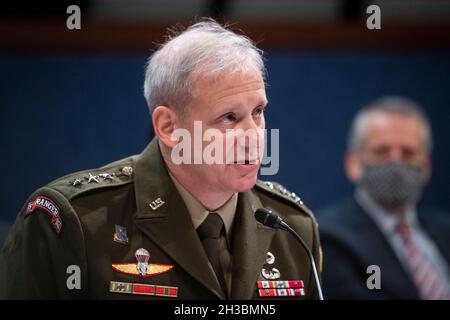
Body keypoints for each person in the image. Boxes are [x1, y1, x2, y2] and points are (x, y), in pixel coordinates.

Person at [0, 19, 322, 299]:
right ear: (168, 127)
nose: (254, 135)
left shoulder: (292, 228)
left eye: (258, 112)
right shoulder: (75, 221)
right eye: (228, 118)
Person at [317, 96, 450, 299]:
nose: (395, 163)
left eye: (408, 153)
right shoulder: (329, 239)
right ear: (353, 163)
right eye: (381, 151)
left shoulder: (444, 230)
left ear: (427, 166)